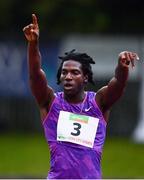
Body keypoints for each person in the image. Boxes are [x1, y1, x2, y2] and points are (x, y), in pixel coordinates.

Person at [23, 14, 139, 179]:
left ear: (85, 77)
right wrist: (33, 44)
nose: (68, 76)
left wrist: (122, 67)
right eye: (64, 72)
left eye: (74, 72)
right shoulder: (50, 101)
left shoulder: (99, 102)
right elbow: (35, 75)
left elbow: (119, 84)